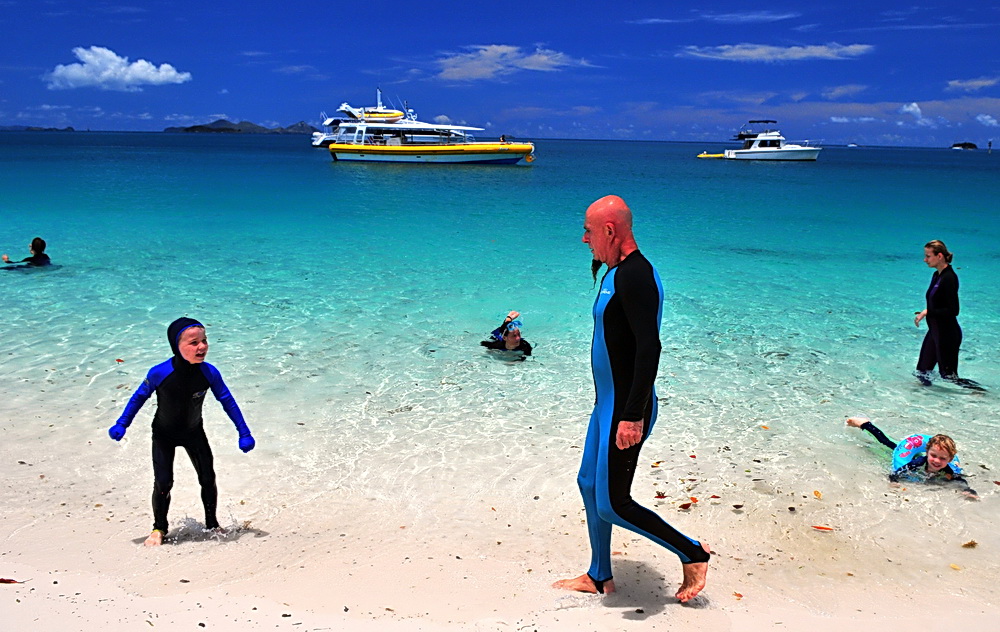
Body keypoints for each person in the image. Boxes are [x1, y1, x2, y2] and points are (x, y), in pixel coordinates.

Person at [553, 195, 710, 603]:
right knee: (588, 483)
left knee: (614, 505)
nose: (584, 239)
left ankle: (692, 552)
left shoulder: (636, 275)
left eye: (589, 231)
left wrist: (633, 415)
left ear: (610, 230)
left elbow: (649, 349)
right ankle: (600, 575)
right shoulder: (614, 271)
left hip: (625, 409)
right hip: (606, 407)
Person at [107, 317, 256, 546]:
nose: (202, 347)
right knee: (164, 482)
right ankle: (159, 528)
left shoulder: (209, 373)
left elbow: (227, 401)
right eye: (194, 342)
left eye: (204, 340)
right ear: (176, 345)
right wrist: (122, 423)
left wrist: (243, 432)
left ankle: (212, 524)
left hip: (194, 432)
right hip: (164, 435)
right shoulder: (159, 373)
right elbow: (138, 398)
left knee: (208, 478)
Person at [846, 417, 977, 498]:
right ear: (927, 452)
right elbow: (895, 473)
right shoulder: (918, 462)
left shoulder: (948, 468)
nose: (937, 461)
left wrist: (968, 490)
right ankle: (864, 423)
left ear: (950, 459)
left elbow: (959, 480)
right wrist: (894, 482)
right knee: (885, 442)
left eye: (943, 458)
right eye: (933, 456)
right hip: (905, 453)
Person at [913, 240, 982, 389]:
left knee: (949, 377)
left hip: (947, 334)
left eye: (928, 256)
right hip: (934, 331)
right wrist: (926, 311)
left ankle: (982, 393)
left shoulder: (949, 278)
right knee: (922, 372)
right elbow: (937, 302)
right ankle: (924, 400)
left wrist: (928, 312)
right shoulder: (936, 276)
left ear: (939, 256)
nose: (925, 260)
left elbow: (953, 310)